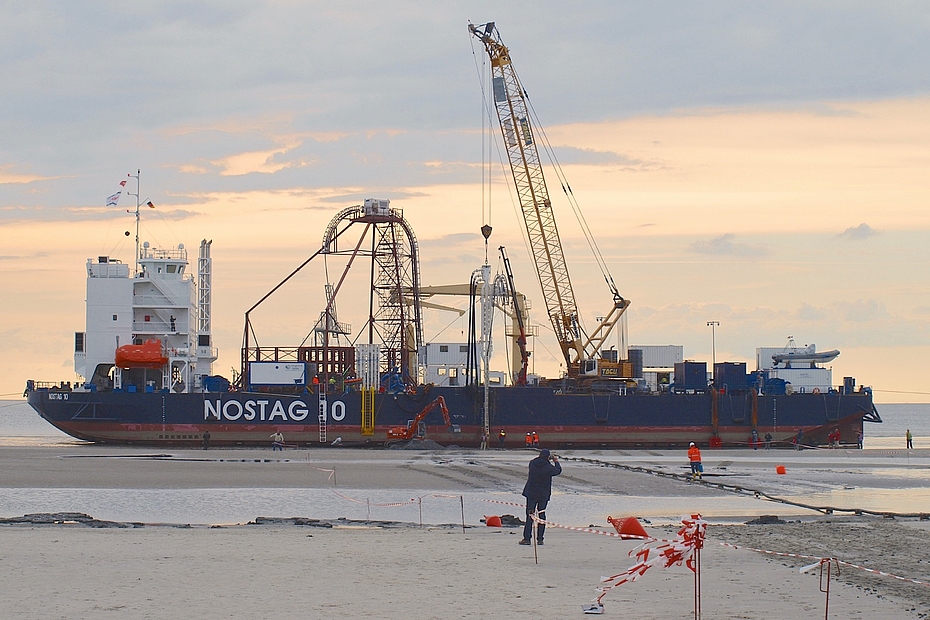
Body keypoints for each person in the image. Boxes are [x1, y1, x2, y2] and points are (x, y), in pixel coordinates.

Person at [519, 449, 561, 546]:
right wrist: (556, 461)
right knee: (541, 515)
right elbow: (558, 471)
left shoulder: (532, 463)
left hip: (531, 493)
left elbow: (538, 462)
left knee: (530, 516)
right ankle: (540, 539)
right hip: (543, 494)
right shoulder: (548, 467)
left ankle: (526, 538)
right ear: (547, 457)